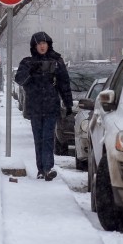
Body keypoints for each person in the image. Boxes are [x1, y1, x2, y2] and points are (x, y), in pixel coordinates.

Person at [15, 32, 73, 181]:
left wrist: (68, 104)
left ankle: (48, 168)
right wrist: (31, 71)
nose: (42, 46)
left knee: (47, 138)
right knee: (38, 138)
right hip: (35, 107)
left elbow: (64, 84)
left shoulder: (56, 61)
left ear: (48, 45)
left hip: (50, 106)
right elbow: (19, 79)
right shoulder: (27, 62)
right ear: (34, 46)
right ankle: (40, 169)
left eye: (44, 43)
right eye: (39, 43)